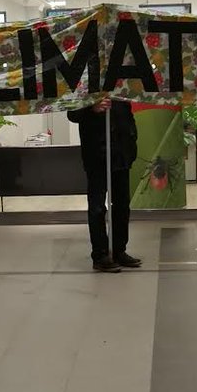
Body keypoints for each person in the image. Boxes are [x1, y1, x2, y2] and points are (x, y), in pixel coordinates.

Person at [67, 98, 140, 273]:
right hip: (97, 155)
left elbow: (126, 116)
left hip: (121, 153)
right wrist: (91, 108)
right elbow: (72, 114)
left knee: (122, 205)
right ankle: (100, 254)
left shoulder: (120, 83)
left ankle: (118, 250)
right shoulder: (85, 84)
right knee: (98, 207)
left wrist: (130, 144)